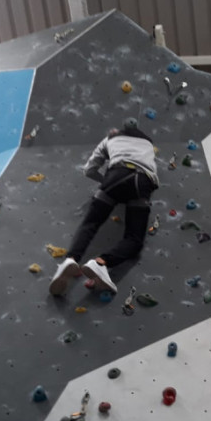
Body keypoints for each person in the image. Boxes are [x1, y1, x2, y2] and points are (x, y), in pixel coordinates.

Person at [49, 117, 159, 296]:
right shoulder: (147, 144)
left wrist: (106, 183)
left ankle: (71, 259)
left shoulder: (110, 139)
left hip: (114, 177)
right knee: (134, 239)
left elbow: (89, 169)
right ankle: (101, 263)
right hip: (141, 181)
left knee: (90, 224)